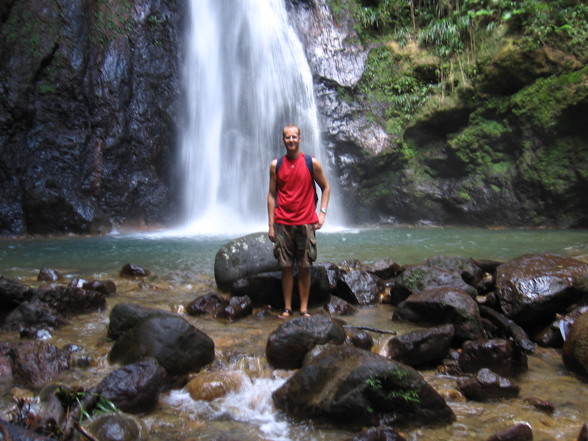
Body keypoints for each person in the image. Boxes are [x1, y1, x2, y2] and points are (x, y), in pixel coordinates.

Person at [267, 124, 330, 319]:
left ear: (300, 139)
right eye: (288, 137)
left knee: (304, 267)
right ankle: (287, 308)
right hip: (283, 223)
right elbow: (271, 195)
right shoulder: (276, 165)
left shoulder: (312, 163)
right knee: (285, 267)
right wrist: (271, 225)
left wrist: (322, 213)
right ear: (283, 140)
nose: (291, 140)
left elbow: (326, 188)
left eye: (294, 137)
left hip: (306, 223)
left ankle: (303, 308)